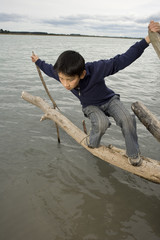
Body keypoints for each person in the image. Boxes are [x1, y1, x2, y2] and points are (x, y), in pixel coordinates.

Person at [31, 20, 160, 166]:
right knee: (101, 123)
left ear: (82, 74)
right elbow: (49, 69)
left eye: (70, 80)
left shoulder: (97, 69)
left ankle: (133, 154)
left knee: (128, 119)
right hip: (90, 106)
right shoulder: (62, 74)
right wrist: (38, 61)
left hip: (109, 100)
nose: (65, 84)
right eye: (61, 79)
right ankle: (92, 144)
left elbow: (122, 60)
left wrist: (148, 39)